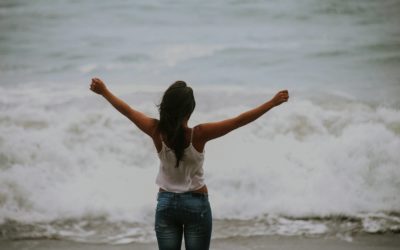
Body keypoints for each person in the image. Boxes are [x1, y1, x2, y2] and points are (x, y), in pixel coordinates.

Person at [90, 78, 289, 250]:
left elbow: (128, 111)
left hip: (166, 203)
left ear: (166, 107)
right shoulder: (199, 134)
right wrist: (271, 103)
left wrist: (104, 92)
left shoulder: (155, 130)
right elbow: (238, 121)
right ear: (189, 110)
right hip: (196, 203)